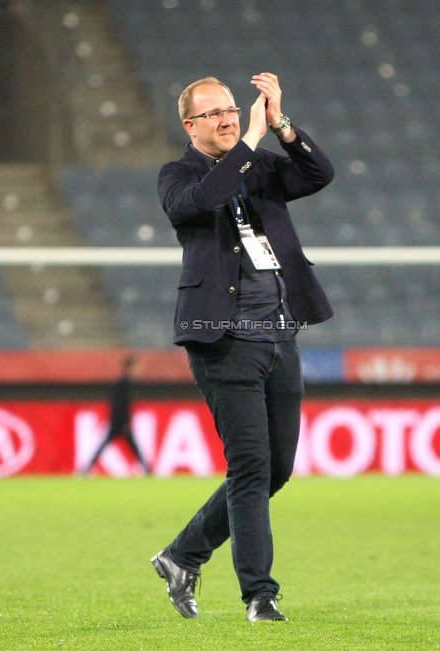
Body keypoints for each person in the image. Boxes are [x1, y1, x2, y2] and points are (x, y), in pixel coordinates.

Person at [150, 73, 334, 622]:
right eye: (216, 114)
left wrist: (278, 123)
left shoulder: (263, 163)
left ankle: (183, 554)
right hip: (223, 337)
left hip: (280, 333)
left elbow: (319, 173)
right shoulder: (176, 176)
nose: (230, 118)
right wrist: (251, 142)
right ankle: (260, 594)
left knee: (276, 469)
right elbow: (206, 198)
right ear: (190, 126)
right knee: (250, 466)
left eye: (233, 109)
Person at [81, 355, 150, 474]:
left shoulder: (125, 384)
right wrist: (124, 422)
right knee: (132, 447)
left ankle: (86, 469)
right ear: (129, 368)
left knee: (108, 446)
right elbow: (119, 405)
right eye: (136, 367)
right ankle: (148, 471)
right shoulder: (124, 385)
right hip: (119, 422)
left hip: (118, 422)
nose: (139, 370)